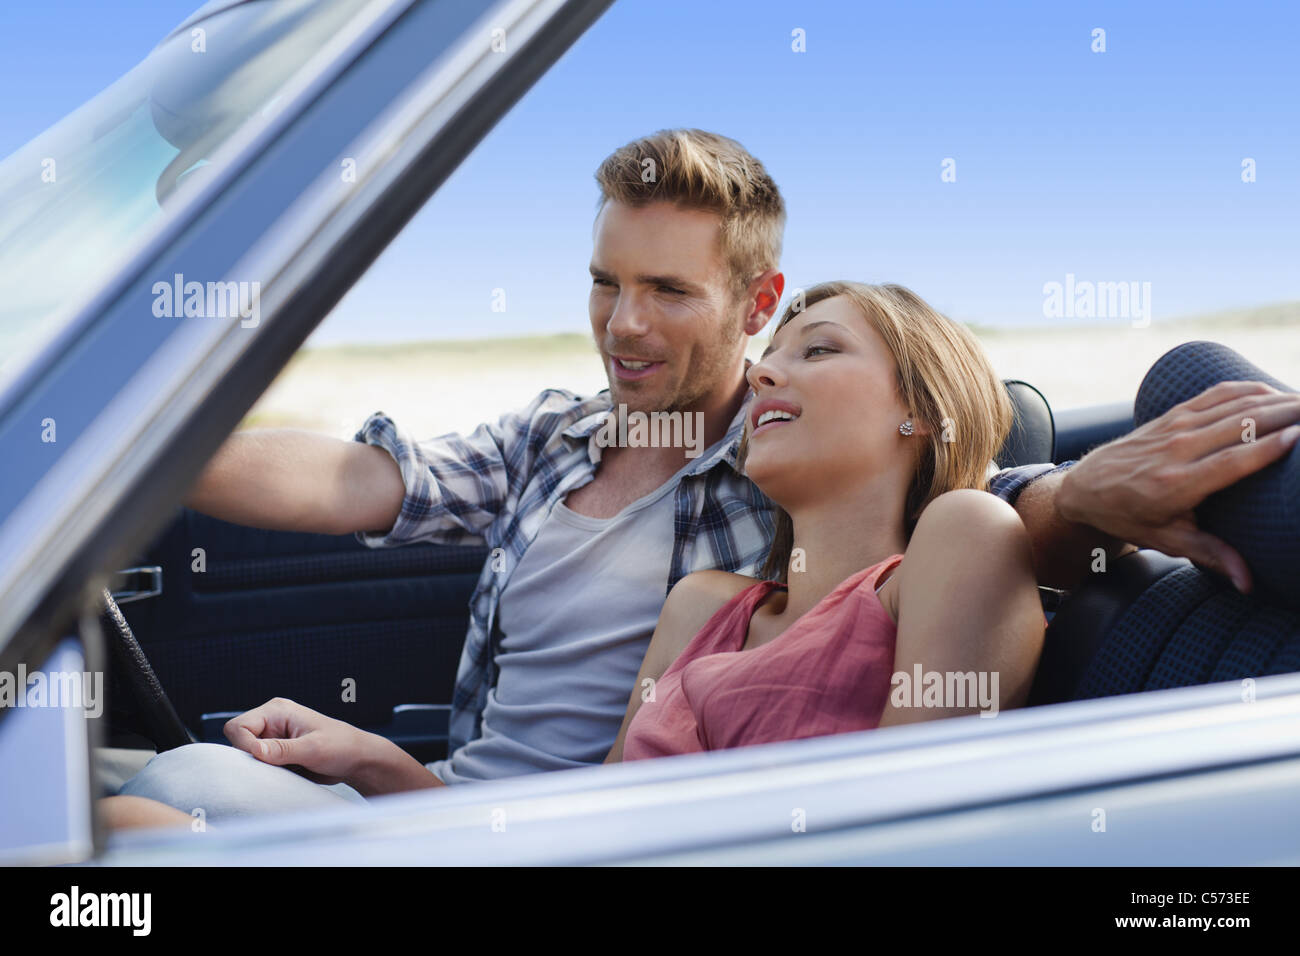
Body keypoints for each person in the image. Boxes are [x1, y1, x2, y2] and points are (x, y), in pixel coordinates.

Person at [101, 129, 1300, 829]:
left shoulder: (777, 463)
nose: (623, 325)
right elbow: (360, 478)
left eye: (670, 292)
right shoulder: (598, 481)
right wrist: (108, 445)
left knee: (119, 830)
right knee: (106, 805)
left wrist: (1074, 505)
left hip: (528, 838)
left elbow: (968, 508)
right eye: (603, 282)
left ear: (751, 305)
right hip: (477, 816)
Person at [607, 281, 1043, 764]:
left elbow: (914, 811)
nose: (761, 373)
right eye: (767, 356)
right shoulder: (695, 607)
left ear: (922, 411)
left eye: (817, 350)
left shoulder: (967, 530)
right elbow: (600, 806)